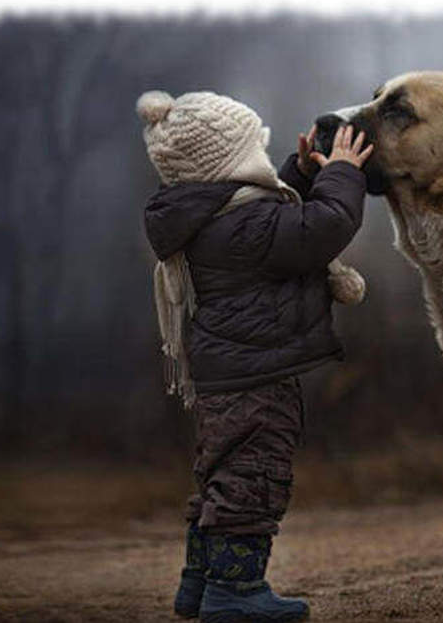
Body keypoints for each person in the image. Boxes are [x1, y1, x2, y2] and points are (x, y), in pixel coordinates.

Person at [137, 89, 372, 622]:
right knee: (254, 478)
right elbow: (323, 227)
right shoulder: (244, 226)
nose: (263, 160)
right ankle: (236, 593)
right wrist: (342, 173)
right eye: (256, 149)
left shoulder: (214, 215)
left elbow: (276, 215)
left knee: (223, 475)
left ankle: (200, 582)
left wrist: (304, 174)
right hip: (257, 377)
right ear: (230, 162)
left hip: (229, 373)